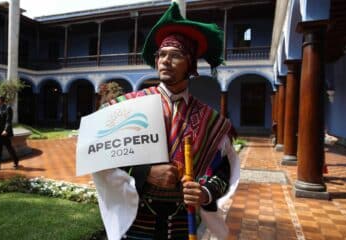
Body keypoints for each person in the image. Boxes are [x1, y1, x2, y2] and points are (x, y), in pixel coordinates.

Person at [92, 3, 240, 239]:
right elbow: (99, 155)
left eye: (175, 55)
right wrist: (146, 173)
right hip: (136, 219)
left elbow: (223, 169)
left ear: (190, 64)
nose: (165, 61)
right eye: (161, 54)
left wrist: (205, 193)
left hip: (183, 222)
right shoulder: (126, 107)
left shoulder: (211, 120)